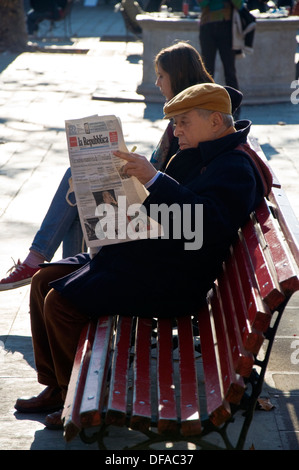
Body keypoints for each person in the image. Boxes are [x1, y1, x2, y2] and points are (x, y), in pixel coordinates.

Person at [14, 82, 272, 430]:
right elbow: (167, 210)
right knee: (43, 280)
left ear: (214, 122)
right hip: (149, 257)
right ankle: (58, 388)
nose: (176, 131)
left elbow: (205, 225)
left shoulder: (235, 168)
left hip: (172, 281)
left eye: (183, 122)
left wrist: (153, 179)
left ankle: (80, 401)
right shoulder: (200, 153)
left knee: (59, 304)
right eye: (175, 123)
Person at [0, 41, 222, 291]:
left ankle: (42, 263)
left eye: (161, 76)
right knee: (79, 184)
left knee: (78, 183)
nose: (157, 83)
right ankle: (66, 272)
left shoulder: (196, 118)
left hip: (161, 220)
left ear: (178, 76)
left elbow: (180, 182)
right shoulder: (185, 116)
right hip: (158, 206)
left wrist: (145, 175)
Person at [198, 0, 244, 93]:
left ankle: (234, 104)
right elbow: (201, 3)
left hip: (226, 26)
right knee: (207, 70)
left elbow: (239, 5)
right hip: (208, 27)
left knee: (230, 70)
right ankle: (205, 103)